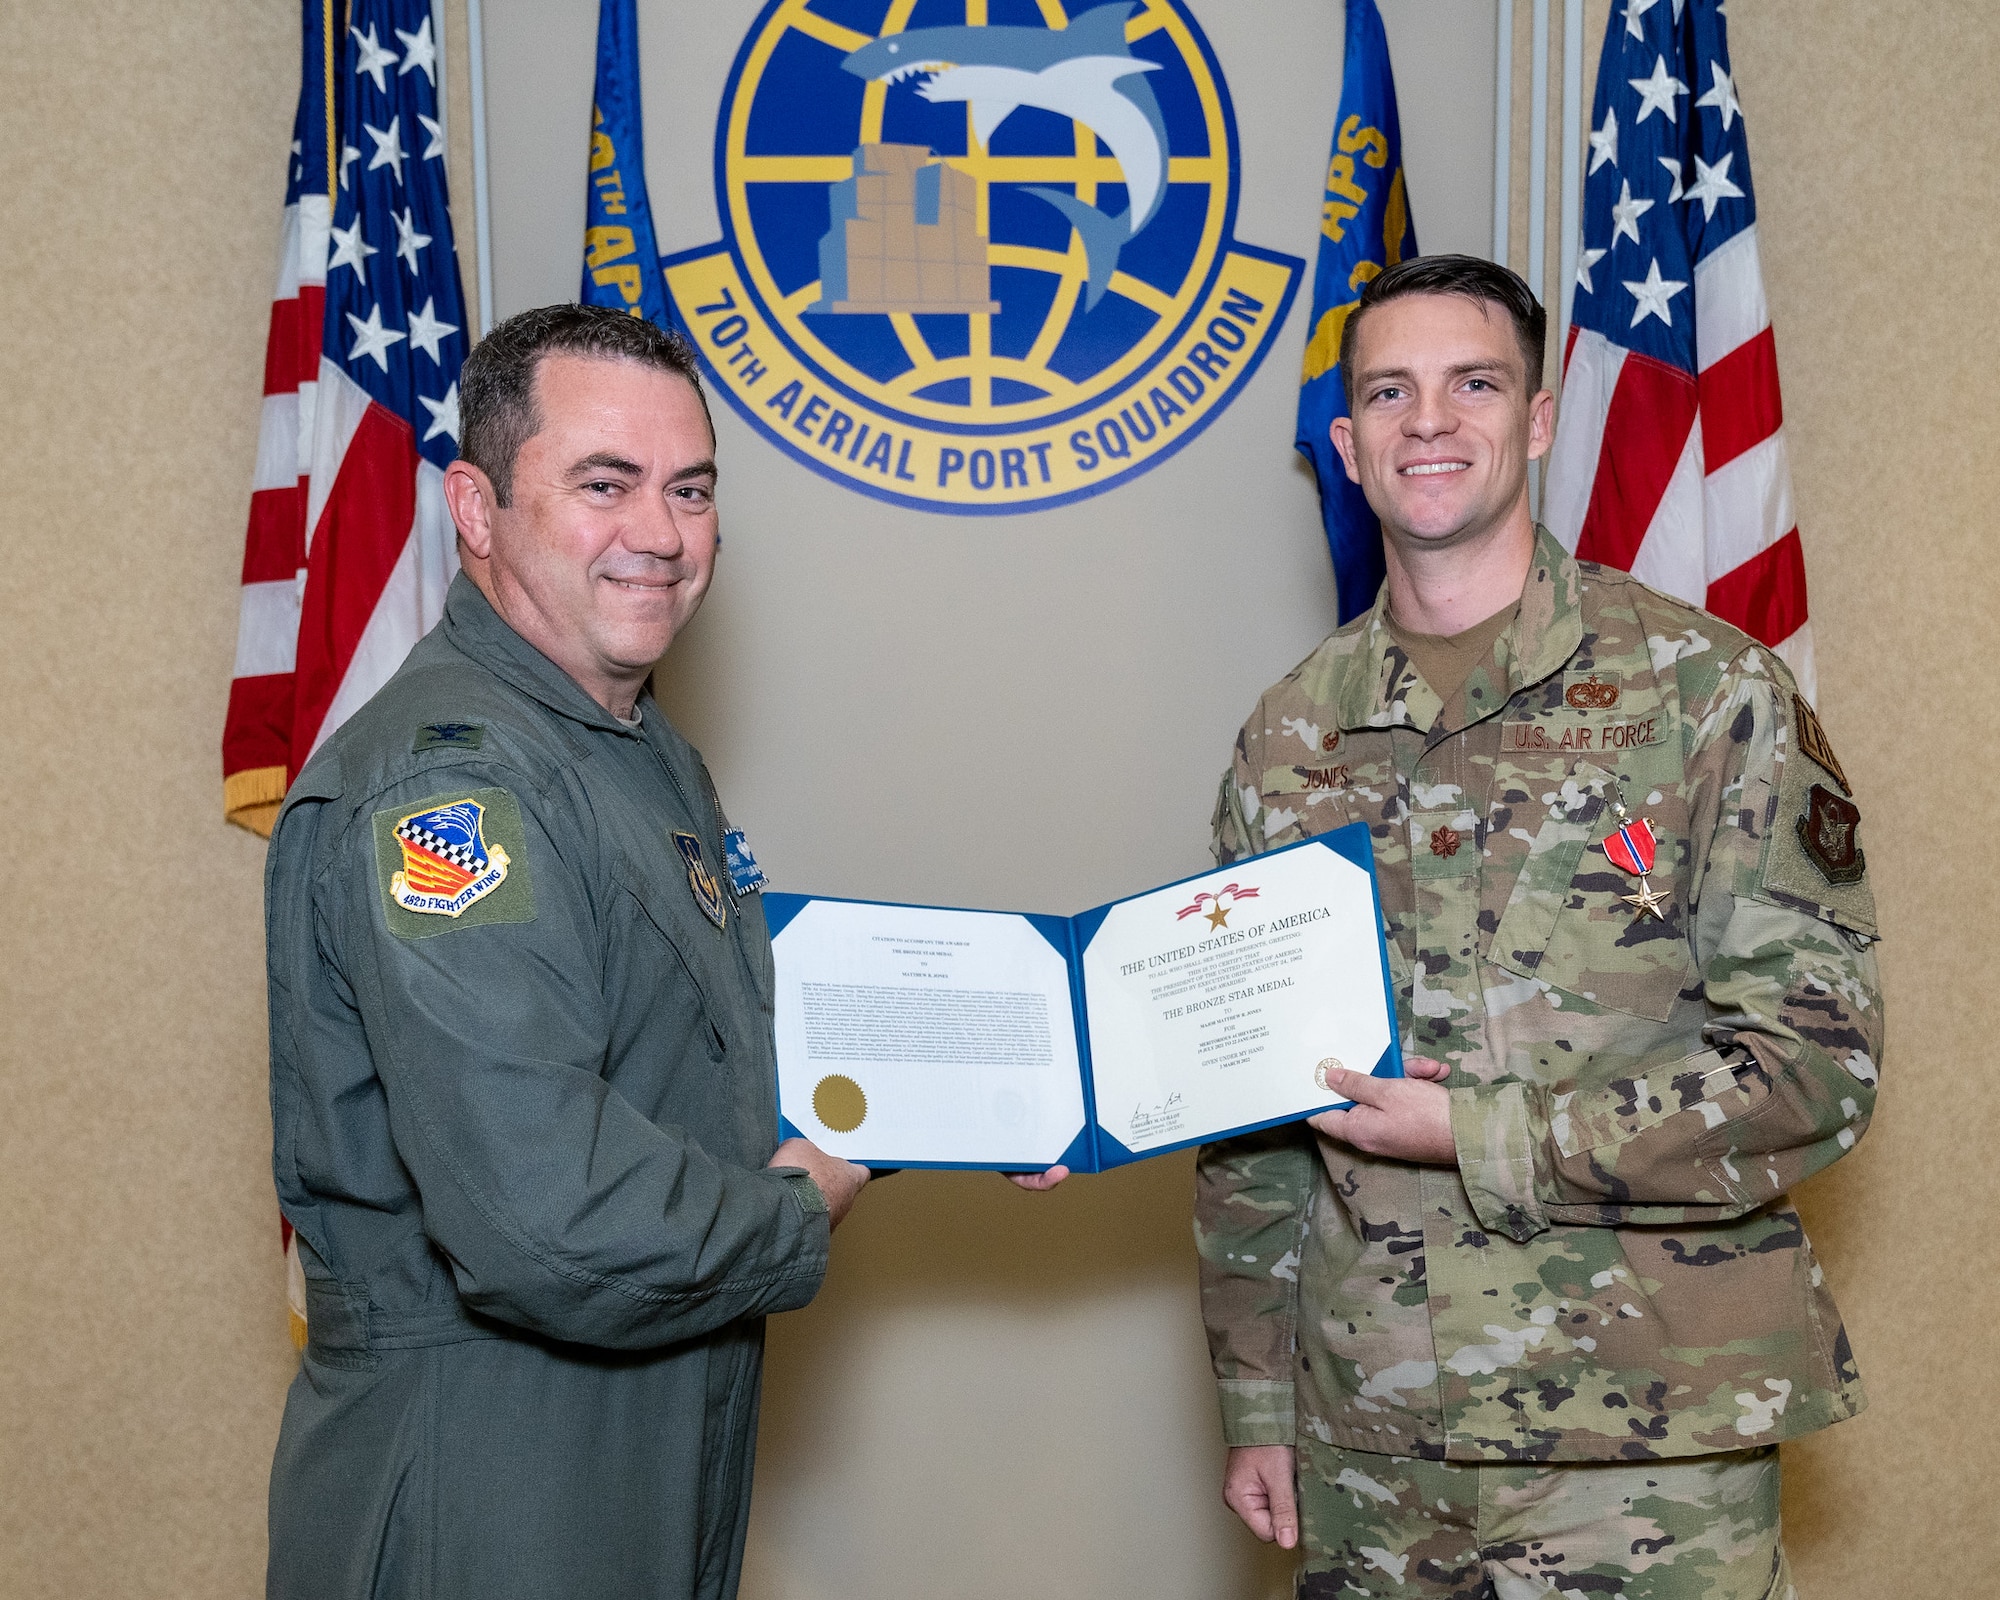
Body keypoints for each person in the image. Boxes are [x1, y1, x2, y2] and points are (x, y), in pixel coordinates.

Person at [1196, 255, 1881, 1598]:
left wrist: (1486, 1133)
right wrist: (1258, 1395)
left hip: (1645, 1446)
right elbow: (1246, 1105)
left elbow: (1816, 1066)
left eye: (1474, 383)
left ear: (1543, 417)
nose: (1430, 422)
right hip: (1374, 1438)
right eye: (1389, 392)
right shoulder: (1289, 735)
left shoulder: (1706, 694)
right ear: (1346, 442)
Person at [262, 304, 873, 1600]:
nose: (660, 533)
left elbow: (700, 1060)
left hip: (639, 1461)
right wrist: (791, 1214)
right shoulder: (453, 794)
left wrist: (980, 1093)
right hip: (489, 1495)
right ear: (474, 511)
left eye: (690, 489)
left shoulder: (633, 753)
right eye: (607, 484)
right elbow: (545, 1217)